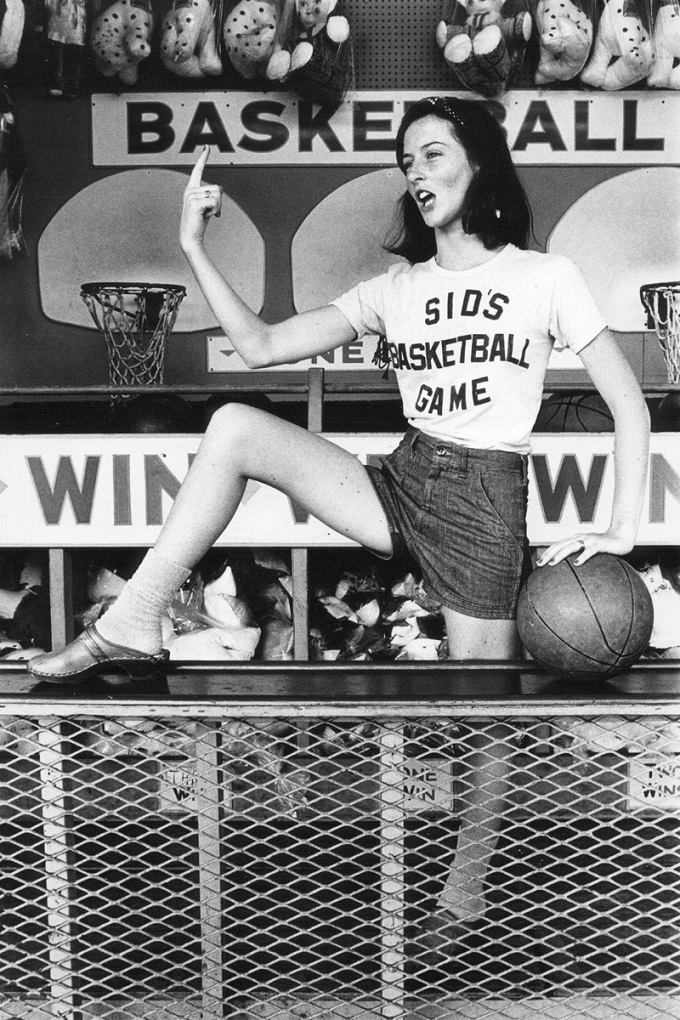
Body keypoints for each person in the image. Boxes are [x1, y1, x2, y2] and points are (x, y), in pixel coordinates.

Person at [28, 95, 650, 943]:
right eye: (408, 160)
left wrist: (620, 527)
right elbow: (260, 348)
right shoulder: (399, 289)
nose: (417, 172)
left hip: (485, 500)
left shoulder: (545, 277)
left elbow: (627, 406)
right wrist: (192, 247)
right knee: (235, 426)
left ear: (481, 164)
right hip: (408, 473)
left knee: (486, 711)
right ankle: (134, 620)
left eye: (433, 154)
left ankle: (462, 906)